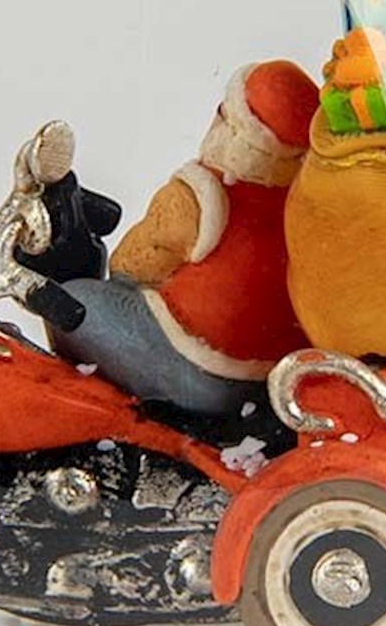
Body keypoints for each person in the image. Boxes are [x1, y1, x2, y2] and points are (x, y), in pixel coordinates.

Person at [35, 60, 317, 424]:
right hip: (270, 380)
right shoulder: (305, 204)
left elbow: (128, 266)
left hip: (196, 370)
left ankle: (99, 412)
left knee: (71, 301)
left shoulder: (200, 192)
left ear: (232, 127)